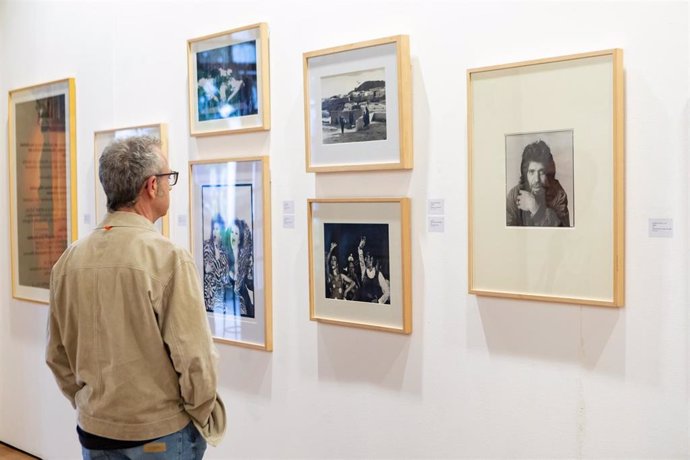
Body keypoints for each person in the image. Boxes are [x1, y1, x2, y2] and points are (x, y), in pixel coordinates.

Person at [46, 136, 226, 459]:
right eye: (169, 178)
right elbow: (195, 359)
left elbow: (56, 355)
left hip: (94, 433)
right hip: (159, 435)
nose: (171, 186)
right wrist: (202, 415)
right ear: (151, 186)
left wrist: (91, 404)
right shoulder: (167, 258)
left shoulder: (69, 261)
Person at [506, 140, 570, 227]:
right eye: (532, 172)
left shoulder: (559, 195)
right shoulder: (514, 195)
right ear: (525, 173)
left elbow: (563, 235)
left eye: (541, 172)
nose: (536, 179)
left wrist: (536, 209)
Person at [225, 218, 255, 317]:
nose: (233, 235)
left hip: (244, 305)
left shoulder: (245, 260)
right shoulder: (224, 257)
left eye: (236, 233)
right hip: (228, 303)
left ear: (239, 239)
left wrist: (252, 270)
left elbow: (251, 285)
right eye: (232, 232)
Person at [203, 213, 231, 312]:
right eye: (214, 229)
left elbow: (225, 277)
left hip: (220, 295)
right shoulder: (206, 245)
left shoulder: (225, 250)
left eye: (218, 229)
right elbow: (207, 268)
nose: (215, 232)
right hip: (208, 293)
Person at [357, 237, 390, 304]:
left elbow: (387, 292)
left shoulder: (379, 274)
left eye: (367, 258)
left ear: (372, 259)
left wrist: (379, 301)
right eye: (365, 258)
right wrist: (360, 248)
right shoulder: (364, 271)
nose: (365, 260)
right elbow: (361, 259)